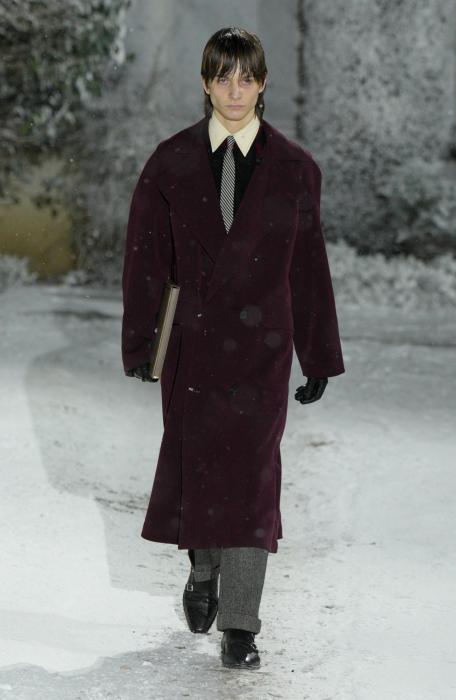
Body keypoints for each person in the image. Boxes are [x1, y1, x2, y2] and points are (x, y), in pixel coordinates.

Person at [121, 26, 345, 669]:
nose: (235, 90)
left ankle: (241, 626)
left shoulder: (295, 168)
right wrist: (141, 341)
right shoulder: (169, 162)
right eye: (223, 77)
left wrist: (318, 354)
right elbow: (145, 259)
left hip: (261, 350)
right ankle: (203, 568)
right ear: (206, 82)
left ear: (263, 83)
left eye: (247, 78)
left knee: (252, 480)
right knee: (199, 468)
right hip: (192, 346)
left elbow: (308, 266)